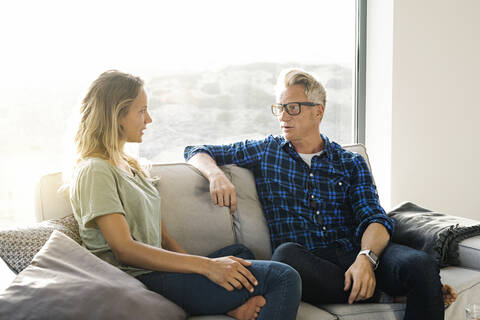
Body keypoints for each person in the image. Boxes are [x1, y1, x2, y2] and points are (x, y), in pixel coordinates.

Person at [184, 68, 457, 320]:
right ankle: (381, 293)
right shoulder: (266, 151)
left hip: (358, 251)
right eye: (279, 108)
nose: (283, 117)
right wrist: (216, 175)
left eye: (292, 108)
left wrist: (365, 259)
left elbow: (374, 217)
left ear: (318, 111)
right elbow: (195, 150)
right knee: (285, 257)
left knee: (420, 265)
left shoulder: (349, 162)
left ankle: (380, 284)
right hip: (311, 264)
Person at [69, 70, 301, 320]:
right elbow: (124, 250)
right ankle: (224, 305)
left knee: (240, 255)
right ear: (117, 115)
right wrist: (206, 267)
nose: (148, 120)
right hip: (137, 279)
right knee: (284, 277)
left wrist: (206, 269)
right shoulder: (95, 170)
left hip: (158, 273)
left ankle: (226, 307)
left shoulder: (129, 166)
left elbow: (163, 238)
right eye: (141, 111)